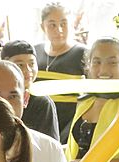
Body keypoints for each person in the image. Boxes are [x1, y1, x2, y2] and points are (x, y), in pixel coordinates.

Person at [34, 2, 86, 144]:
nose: (59, 30)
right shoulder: (35, 52)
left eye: (64, 23)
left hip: (70, 125)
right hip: (38, 123)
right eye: (52, 25)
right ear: (42, 27)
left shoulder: (82, 54)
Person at [0, 39, 58, 141]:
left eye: (31, 64)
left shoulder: (42, 102)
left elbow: (50, 144)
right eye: (20, 65)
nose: (28, 70)